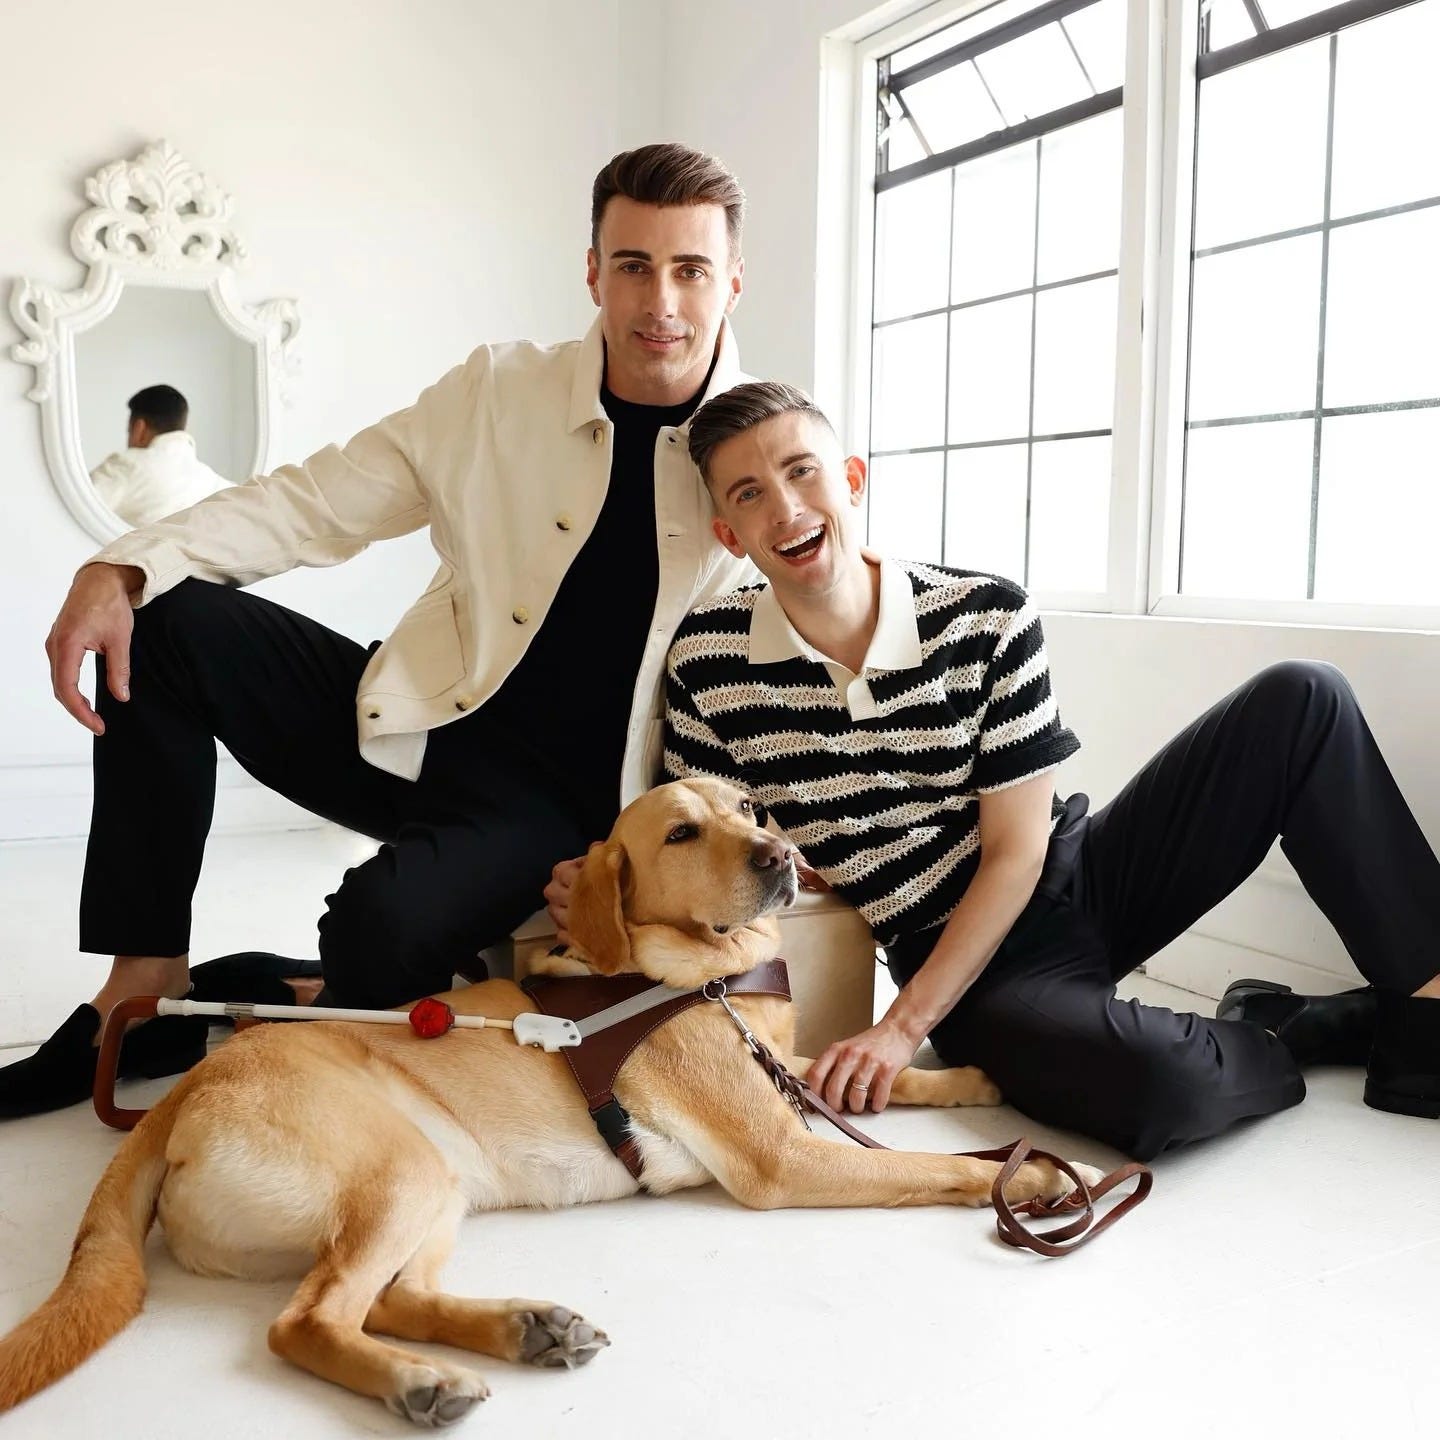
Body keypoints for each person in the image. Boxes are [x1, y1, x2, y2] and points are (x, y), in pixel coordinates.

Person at [1, 142, 755, 1120]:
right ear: (592, 272)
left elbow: (784, 667)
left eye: (691, 270)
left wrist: (648, 853)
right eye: (634, 265)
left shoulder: (763, 450)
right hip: (418, 722)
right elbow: (314, 501)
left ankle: (293, 991)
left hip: (556, 810)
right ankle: (141, 992)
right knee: (163, 619)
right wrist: (119, 567)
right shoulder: (497, 393)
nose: (661, 302)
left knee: (376, 933)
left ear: (732, 281)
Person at [653, 380, 1440, 1161]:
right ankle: (1284, 1028)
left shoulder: (988, 614)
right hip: (972, 965)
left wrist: (900, 1028)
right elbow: (711, 841)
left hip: (1072, 870)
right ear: (729, 534)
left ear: (852, 478)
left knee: (1303, 698)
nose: (786, 508)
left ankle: (1429, 1017)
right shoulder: (706, 665)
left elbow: (1017, 851)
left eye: (802, 471)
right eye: (750, 494)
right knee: (1167, 1090)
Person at [89, 384, 230, 527]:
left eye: (129, 432)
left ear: (139, 428)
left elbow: (80, 514)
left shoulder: (127, 466)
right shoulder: (217, 486)